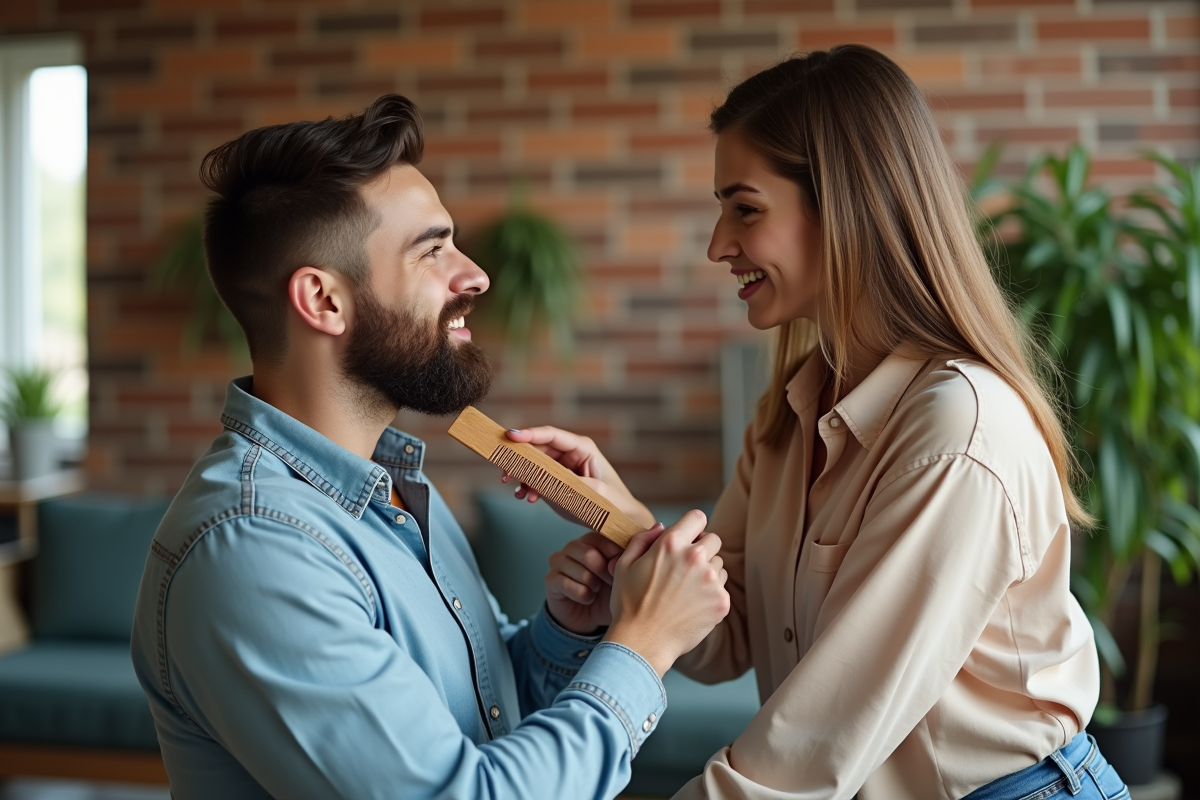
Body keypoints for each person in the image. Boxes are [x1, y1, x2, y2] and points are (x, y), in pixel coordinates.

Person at [504, 46, 1128, 800]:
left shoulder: (956, 431)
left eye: (745, 208)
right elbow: (727, 633)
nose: (717, 244)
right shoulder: (792, 411)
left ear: (844, 205)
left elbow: (812, 749)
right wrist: (624, 530)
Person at [129, 94, 731, 800]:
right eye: (433, 249)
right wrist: (644, 643)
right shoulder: (256, 547)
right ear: (323, 301)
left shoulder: (391, 488)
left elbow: (470, 719)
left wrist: (566, 637)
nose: (473, 275)